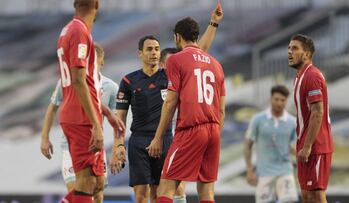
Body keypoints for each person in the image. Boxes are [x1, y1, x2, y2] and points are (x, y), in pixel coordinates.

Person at [111, 5, 223, 203]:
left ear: (177, 38)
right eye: (150, 49)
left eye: (156, 49)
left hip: (169, 136)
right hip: (141, 139)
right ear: (140, 53)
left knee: (168, 188)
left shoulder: (171, 69)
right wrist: (118, 144)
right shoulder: (129, 81)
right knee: (143, 195)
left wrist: (213, 23)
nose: (154, 53)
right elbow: (119, 117)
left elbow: (197, 53)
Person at [146, 16, 226, 203]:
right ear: (196, 36)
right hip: (214, 130)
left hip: (191, 128)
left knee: (166, 186)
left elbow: (171, 101)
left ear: (177, 37)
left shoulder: (176, 59)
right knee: (206, 191)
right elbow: (222, 110)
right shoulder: (216, 65)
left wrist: (158, 138)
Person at [55, 0, 123, 202]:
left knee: (98, 182)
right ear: (97, 4)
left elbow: (83, 82)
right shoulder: (79, 32)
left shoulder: (68, 30)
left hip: (77, 111)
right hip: (81, 117)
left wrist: (107, 113)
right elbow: (78, 80)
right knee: (87, 183)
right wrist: (95, 123)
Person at [40, 43, 121, 203]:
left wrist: (118, 147)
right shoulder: (69, 82)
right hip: (71, 146)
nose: (91, 65)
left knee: (98, 192)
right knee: (79, 190)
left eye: (95, 61)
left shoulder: (110, 87)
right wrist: (44, 138)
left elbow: (117, 119)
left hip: (96, 146)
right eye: (88, 61)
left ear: (102, 63)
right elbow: (52, 108)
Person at [288, 34, 334, 203]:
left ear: (306, 54)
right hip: (306, 145)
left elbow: (317, 112)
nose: (289, 52)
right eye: (289, 48)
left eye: (294, 48)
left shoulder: (312, 76)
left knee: (317, 194)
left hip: (316, 146)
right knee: (307, 195)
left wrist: (307, 146)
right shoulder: (300, 76)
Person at [244, 85, 299, 203]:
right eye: (276, 99)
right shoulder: (258, 119)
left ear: (286, 101)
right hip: (264, 173)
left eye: (282, 100)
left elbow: (293, 146)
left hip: (285, 171)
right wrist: (249, 170)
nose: (279, 103)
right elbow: (248, 145)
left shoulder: (292, 122)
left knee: (290, 201)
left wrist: (296, 153)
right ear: (271, 99)